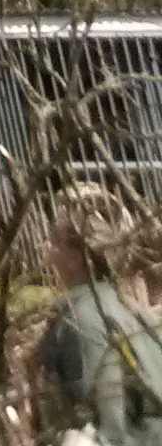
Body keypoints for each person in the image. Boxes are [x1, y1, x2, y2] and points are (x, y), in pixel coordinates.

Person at [39, 187, 162, 442]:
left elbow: (109, 419)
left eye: (55, 241)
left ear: (78, 257)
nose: (46, 247)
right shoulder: (127, 306)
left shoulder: (81, 318)